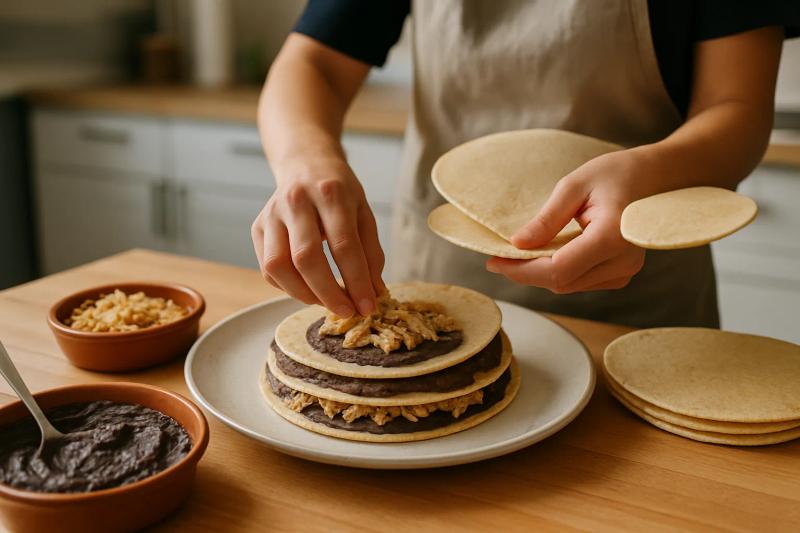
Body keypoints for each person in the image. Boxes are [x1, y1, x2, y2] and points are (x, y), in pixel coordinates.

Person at [251, 0, 798, 328]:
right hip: (442, 289)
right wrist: (306, 163)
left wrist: (644, 175)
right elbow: (313, 61)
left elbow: (737, 109)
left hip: (641, 299)